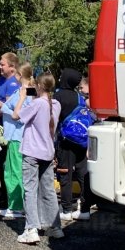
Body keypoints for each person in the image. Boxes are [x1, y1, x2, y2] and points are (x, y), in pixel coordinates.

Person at [17, 73, 64, 244]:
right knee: (48, 190)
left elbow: (17, 116)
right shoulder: (55, 104)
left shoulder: (36, 104)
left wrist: (22, 97)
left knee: (30, 189)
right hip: (47, 152)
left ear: (40, 86)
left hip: (32, 152)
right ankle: (55, 227)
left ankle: (31, 229)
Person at [55, 67, 95, 224]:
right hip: (81, 141)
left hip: (65, 142)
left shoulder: (58, 96)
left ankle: (66, 210)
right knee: (82, 173)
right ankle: (84, 210)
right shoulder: (80, 97)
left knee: (65, 175)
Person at [0, 63, 32, 220]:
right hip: (15, 136)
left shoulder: (25, 93)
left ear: (19, 75)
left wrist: (5, 109)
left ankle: (16, 207)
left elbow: (22, 115)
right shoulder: (25, 91)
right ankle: (16, 205)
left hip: (17, 136)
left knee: (14, 173)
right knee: (13, 171)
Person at [0, 52, 21, 209]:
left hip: (8, 131)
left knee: (5, 164)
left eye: (2, 64)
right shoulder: (2, 81)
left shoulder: (13, 84)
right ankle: (3, 194)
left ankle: (9, 198)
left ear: (12, 66)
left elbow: (10, 107)